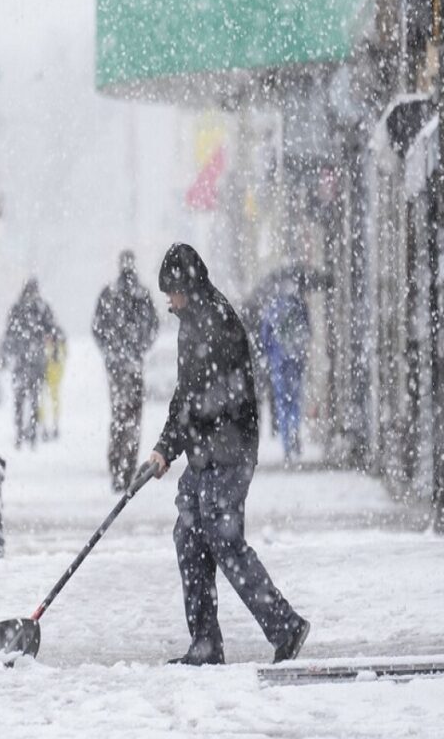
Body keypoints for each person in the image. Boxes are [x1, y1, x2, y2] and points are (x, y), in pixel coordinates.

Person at [146, 243, 309, 666]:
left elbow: (210, 400)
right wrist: (167, 446)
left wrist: (177, 441)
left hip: (230, 450)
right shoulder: (192, 323)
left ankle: (285, 626)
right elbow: (186, 397)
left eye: (172, 290)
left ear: (188, 285)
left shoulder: (217, 323)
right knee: (189, 536)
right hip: (206, 451)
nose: (169, 299)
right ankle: (205, 643)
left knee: (224, 540)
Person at [92, 250, 159, 491]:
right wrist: (139, 348)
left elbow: (97, 327)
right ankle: (127, 467)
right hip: (132, 363)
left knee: (119, 414)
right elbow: (153, 325)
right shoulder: (141, 295)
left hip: (117, 365)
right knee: (133, 417)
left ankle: (117, 465)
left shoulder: (109, 293)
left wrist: (110, 351)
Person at [2, 278, 58, 448]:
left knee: (20, 397)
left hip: (21, 359)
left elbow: (9, 333)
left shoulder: (17, 308)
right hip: (36, 359)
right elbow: (52, 330)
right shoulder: (41, 307)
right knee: (34, 397)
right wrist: (53, 350)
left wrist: (6, 354)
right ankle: (32, 432)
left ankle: (20, 432)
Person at [258, 290, 310, 463]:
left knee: (282, 402)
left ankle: (287, 444)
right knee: (295, 400)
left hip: (278, 362)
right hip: (295, 360)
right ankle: (295, 428)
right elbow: (308, 332)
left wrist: (270, 353)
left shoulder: (272, 309)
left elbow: (264, 337)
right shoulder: (299, 306)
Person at [40, 326, 67, 441]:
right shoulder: (52, 346)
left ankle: (53, 425)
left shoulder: (56, 347)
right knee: (44, 401)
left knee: (52, 400)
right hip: (47, 376)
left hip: (53, 376)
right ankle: (45, 426)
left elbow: (61, 360)